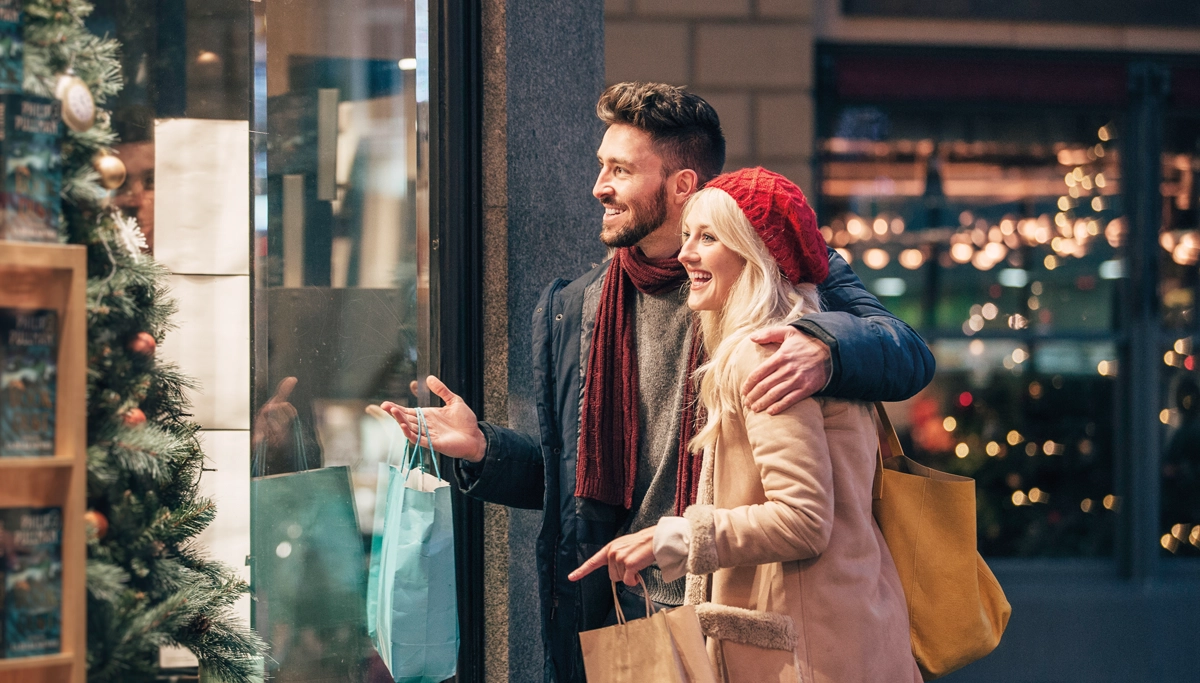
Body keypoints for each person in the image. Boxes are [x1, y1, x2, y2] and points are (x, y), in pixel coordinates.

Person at [383, 82, 933, 683]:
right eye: (602, 166)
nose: (600, 187)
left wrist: (823, 346)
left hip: (741, 609)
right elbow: (577, 482)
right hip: (628, 613)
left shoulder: (783, 281)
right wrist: (485, 450)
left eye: (620, 169)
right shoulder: (579, 307)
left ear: (681, 185)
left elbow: (907, 352)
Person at [571, 167, 921, 682]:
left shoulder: (764, 354)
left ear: (756, 254)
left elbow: (801, 519)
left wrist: (671, 538)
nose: (686, 254)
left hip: (805, 657)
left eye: (708, 238)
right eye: (688, 235)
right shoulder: (809, 343)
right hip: (846, 635)